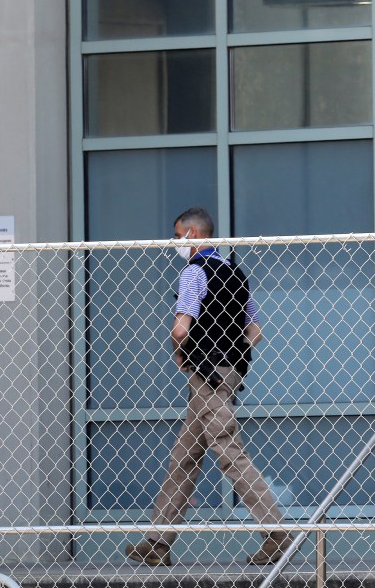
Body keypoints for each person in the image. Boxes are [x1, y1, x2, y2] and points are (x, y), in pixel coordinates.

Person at [125, 207, 292, 567]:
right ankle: (157, 542)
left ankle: (277, 534)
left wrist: (181, 356)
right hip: (228, 371)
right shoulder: (235, 272)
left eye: (177, 235)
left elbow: (181, 328)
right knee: (184, 457)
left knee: (227, 449)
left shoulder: (193, 272)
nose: (175, 243)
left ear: (193, 236)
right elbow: (255, 331)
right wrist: (232, 356)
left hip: (205, 374)